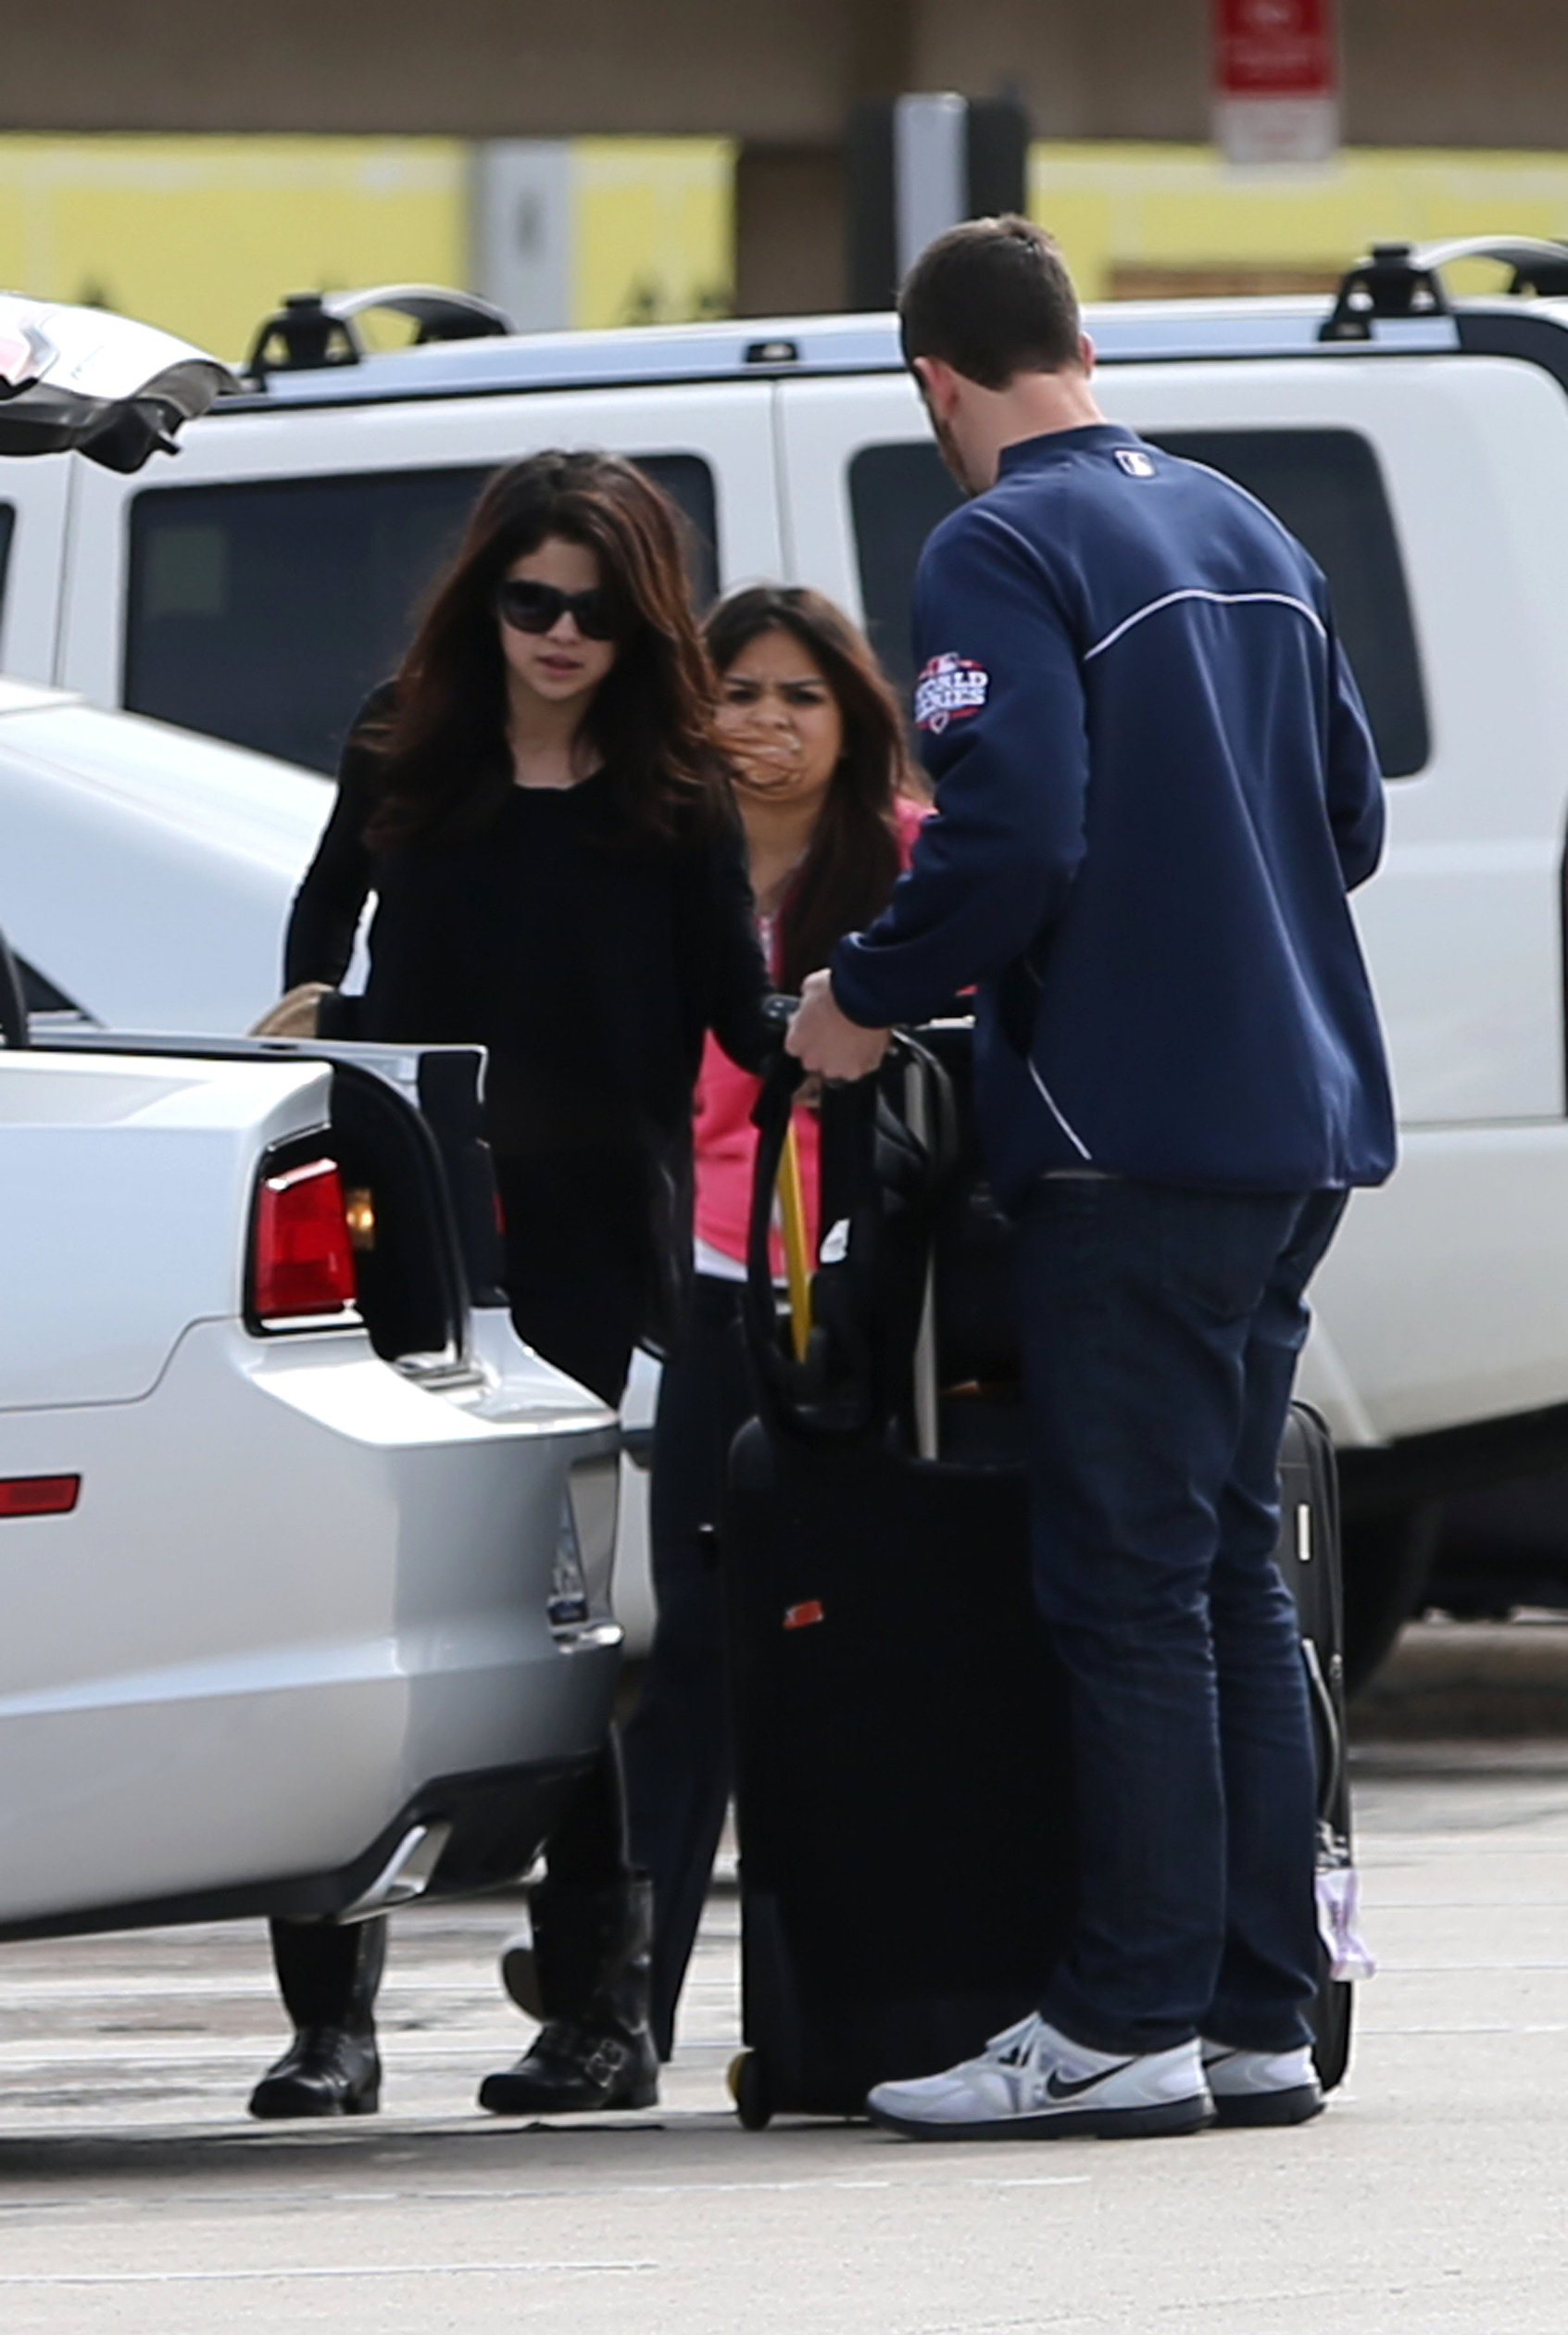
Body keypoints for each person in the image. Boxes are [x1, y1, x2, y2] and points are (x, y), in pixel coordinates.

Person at [785, 217, 1396, 2140]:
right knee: (1221, 1567)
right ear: (1080, 345)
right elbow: (1353, 817)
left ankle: (1122, 2013)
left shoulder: (997, 540)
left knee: (1126, 1583)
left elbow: (1012, 819)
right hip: (1296, 1127)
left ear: (933, 382)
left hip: (1130, 1138)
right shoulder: (1241, 525)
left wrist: (861, 998)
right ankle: (1249, 2009)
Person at [250, 450, 775, 2121]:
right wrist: (315, 995)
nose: (558, 634)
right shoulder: (404, 741)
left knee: (561, 1621)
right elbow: (323, 917)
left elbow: (737, 1017)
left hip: (578, 1242)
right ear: (487, 599)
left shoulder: (676, 790)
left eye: (596, 611)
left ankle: (598, 2016)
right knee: (350, 1611)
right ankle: (331, 2023)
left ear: (643, 624)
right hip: (412, 1213)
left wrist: (871, 1008)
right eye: (530, 600)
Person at [605, 586, 925, 2060]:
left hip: (864, 1293)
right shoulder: (659, 864)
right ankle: (625, 2002)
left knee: (852, 1640)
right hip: (708, 1282)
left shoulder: (912, 864)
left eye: (803, 696)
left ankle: (860, 1993)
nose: (769, 726)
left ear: (852, 718)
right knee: (697, 1652)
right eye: (739, 693)